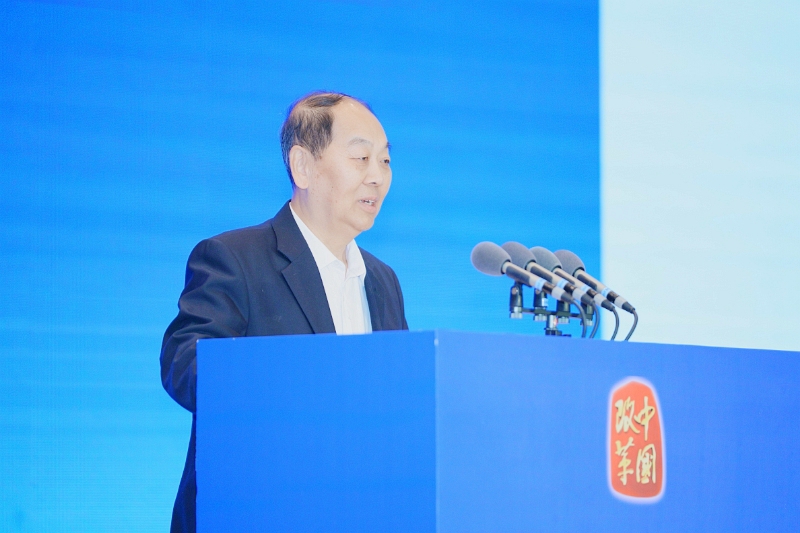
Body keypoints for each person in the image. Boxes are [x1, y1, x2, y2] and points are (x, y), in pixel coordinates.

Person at [159, 91, 409, 533]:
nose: (377, 177)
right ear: (303, 166)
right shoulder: (234, 258)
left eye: (385, 161)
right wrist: (301, 386)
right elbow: (185, 364)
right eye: (361, 158)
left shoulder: (382, 280)